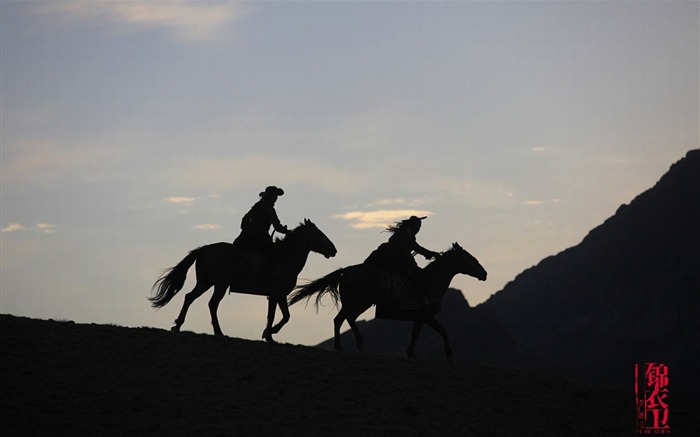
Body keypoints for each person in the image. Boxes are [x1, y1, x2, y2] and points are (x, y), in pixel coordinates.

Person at [233, 186, 290, 287]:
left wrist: (247, 229)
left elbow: (245, 218)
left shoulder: (258, 205)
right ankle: (264, 279)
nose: (276, 198)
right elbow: (277, 226)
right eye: (274, 196)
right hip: (260, 237)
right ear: (270, 197)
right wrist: (287, 231)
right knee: (274, 254)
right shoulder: (269, 208)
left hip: (246, 236)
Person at [364, 216, 439, 291]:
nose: (418, 230)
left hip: (391, 257)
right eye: (418, 227)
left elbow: (416, 248)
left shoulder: (408, 234)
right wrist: (414, 262)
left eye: (419, 228)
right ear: (413, 225)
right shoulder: (404, 234)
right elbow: (407, 250)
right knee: (414, 273)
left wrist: (431, 254)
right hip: (390, 258)